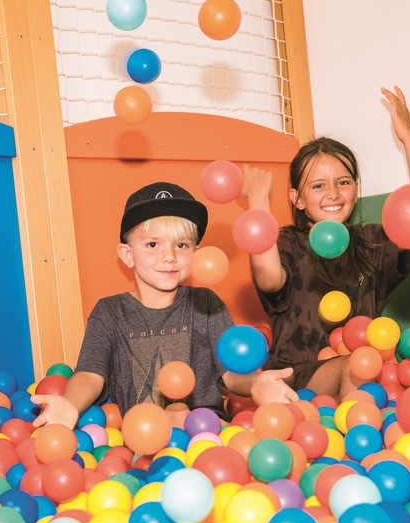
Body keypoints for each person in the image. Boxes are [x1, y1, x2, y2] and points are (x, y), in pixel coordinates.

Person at [32, 182, 298, 429]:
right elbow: (90, 374)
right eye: (152, 244)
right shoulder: (109, 313)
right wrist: (70, 404)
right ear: (127, 254)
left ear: (196, 254)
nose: (169, 256)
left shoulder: (206, 303)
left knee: (180, 412)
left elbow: (231, 374)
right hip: (141, 434)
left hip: (205, 430)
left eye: (181, 245)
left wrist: (255, 383)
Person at [243, 86, 410, 401]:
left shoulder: (372, 242)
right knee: (358, 366)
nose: (332, 193)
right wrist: (258, 202)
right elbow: (268, 277)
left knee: (406, 370)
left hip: (365, 369)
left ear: (355, 190)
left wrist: (409, 139)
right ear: (298, 199)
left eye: (343, 182)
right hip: (294, 378)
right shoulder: (288, 242)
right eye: (318, 186)